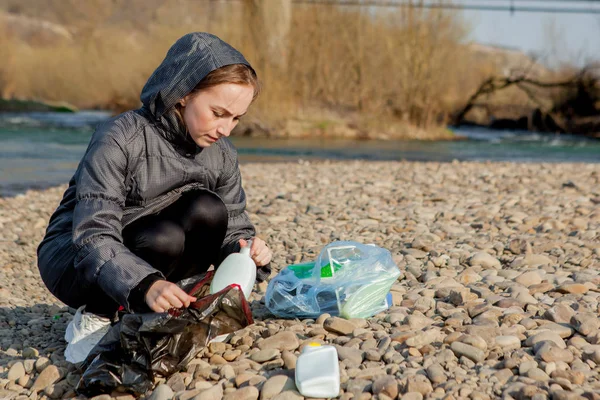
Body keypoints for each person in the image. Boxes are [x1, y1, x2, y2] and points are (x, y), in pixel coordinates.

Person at [37, 32, 273, 362]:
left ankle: (177, 304)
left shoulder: (222, 155)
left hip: (150, 253)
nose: (226, 129)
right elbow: (92, 234)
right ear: (183, 95)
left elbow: (233, 226)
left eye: (236, 118)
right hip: (75, 259)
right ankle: (98, 315)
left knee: (210, 209)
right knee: (164, 238)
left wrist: (247, 249)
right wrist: (145, 284)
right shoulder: (119, 137)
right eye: (218, 113)